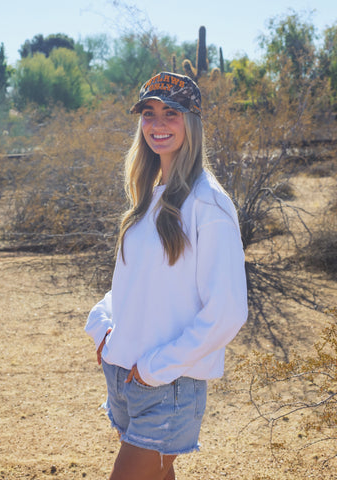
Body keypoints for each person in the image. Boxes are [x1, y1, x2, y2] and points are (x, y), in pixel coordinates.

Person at [85, 71, 248, 480]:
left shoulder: (207, 203)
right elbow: (132, 282)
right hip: (126, 373)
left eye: (171, 113)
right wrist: (105, 328)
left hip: (168, 384)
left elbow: (227, 311)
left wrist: (158, 367)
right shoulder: (148, 193)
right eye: (148, 113)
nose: (158, 125)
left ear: (191, 121)